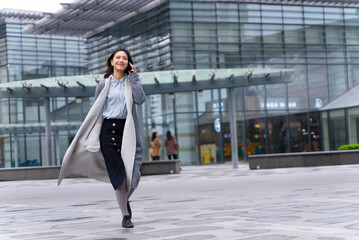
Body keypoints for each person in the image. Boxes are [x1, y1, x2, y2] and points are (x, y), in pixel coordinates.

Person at [57, 48, 145, 229]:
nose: (121, 60)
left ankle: (123, 200)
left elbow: (140, 99)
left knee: (134, 175)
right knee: (118, 174)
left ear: (129, 63)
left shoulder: (131, 82)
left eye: (125, 58)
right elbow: (96, 111)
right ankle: (125, 216)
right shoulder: (103, 85)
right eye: (118, 57)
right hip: (107, 131)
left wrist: (135, 77)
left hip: (127, 131)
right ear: (111, 62)